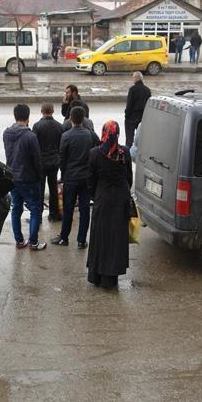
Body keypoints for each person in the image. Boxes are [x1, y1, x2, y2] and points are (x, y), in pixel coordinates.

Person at [86, 120, 133, 289]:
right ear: (118, 134)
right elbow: (129, 178)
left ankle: (96, 276)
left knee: (100, 237)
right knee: (116, 239)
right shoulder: (124, 152)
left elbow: (90, 180)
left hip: (102, 199)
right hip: (120, 200)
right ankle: (111, 279)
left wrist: (96, 195)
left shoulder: (94, 153)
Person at [51, 106, 100, 248]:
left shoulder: (66, 136)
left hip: (71, 178)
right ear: (83, 119)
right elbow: (98, 149)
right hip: (86, 178)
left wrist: (64, 174)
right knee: (85, 210)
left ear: (71, 119)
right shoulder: (90, 135)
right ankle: (81, 240)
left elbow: (62, 158)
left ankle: (64, 237)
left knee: (68, 208)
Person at [3, 104, 47, 251]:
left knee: (16, 208)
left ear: (15, 116)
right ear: (28, 117)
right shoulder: (30, 136)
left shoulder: (7, 133)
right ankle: (33, 242)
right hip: (28, 178)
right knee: (35, 209)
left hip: (12, 176)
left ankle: (19, 241)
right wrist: (39, 176)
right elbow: (37, 160)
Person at [32, 103, 63, 221]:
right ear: (53, 111)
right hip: (55, 162)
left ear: (42, 111)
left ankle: (38, 215)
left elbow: (34, 146)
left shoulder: (37, 126)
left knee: (39, 188)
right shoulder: (59, 126)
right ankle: (54, 214)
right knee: (53, 188)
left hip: (41, 162)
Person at [124, 71, 152, 148]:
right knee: (141, 137)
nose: (132, 79)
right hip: (142, 117)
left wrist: (126, 115)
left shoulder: (133, 89)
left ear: (137, 78)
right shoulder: (147, 90)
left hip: (132, 117)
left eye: (133, 77)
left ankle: (128, 153)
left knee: (129, 138)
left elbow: (129, 104)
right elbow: (148, 104)